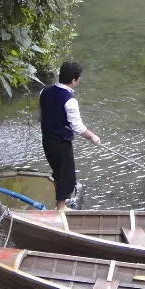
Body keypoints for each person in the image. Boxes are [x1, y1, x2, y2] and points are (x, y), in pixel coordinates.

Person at [39, 61, 100, 210]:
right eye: (78, 79)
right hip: (61, 143)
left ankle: (60, 203)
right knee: (67, 176)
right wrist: (93, 137)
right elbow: (77, 126)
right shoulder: (70, 100)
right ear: (73, 80)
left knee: (58, 172)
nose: (78, 81)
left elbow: (41, 114)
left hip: (46, 140)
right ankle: (61, 208)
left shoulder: (44, 92)